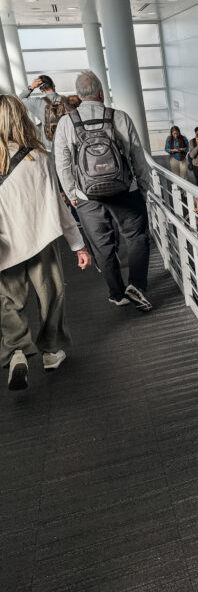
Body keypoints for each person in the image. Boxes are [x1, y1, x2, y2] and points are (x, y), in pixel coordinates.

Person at [0, 95, 92, 390]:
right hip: (41, 239)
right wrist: (78, 245)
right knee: (51, 294)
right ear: (21, 119)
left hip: (5, 246)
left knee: (7, 301)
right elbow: (59, 207)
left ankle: (16, 351)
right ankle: (51, 352)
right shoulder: (37, 157)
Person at [53, 70, 152, 311]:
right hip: (125, 189)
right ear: (101, 93)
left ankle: (117, 294)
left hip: (87, 196)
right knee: (137, 237)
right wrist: (144, 187)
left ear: (78, 95)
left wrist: (73, 195)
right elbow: (137, 155)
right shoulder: (119, 117)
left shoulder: (67, 122)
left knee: (102, 245)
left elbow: (62, 163)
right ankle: (136, 286)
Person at [19, 75, 67, 147]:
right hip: (66, 142)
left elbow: (19, 100)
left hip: (49, 144)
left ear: (41, 90)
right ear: (53, 84)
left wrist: (31, 87)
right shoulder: (68, 101)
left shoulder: (38, 103)